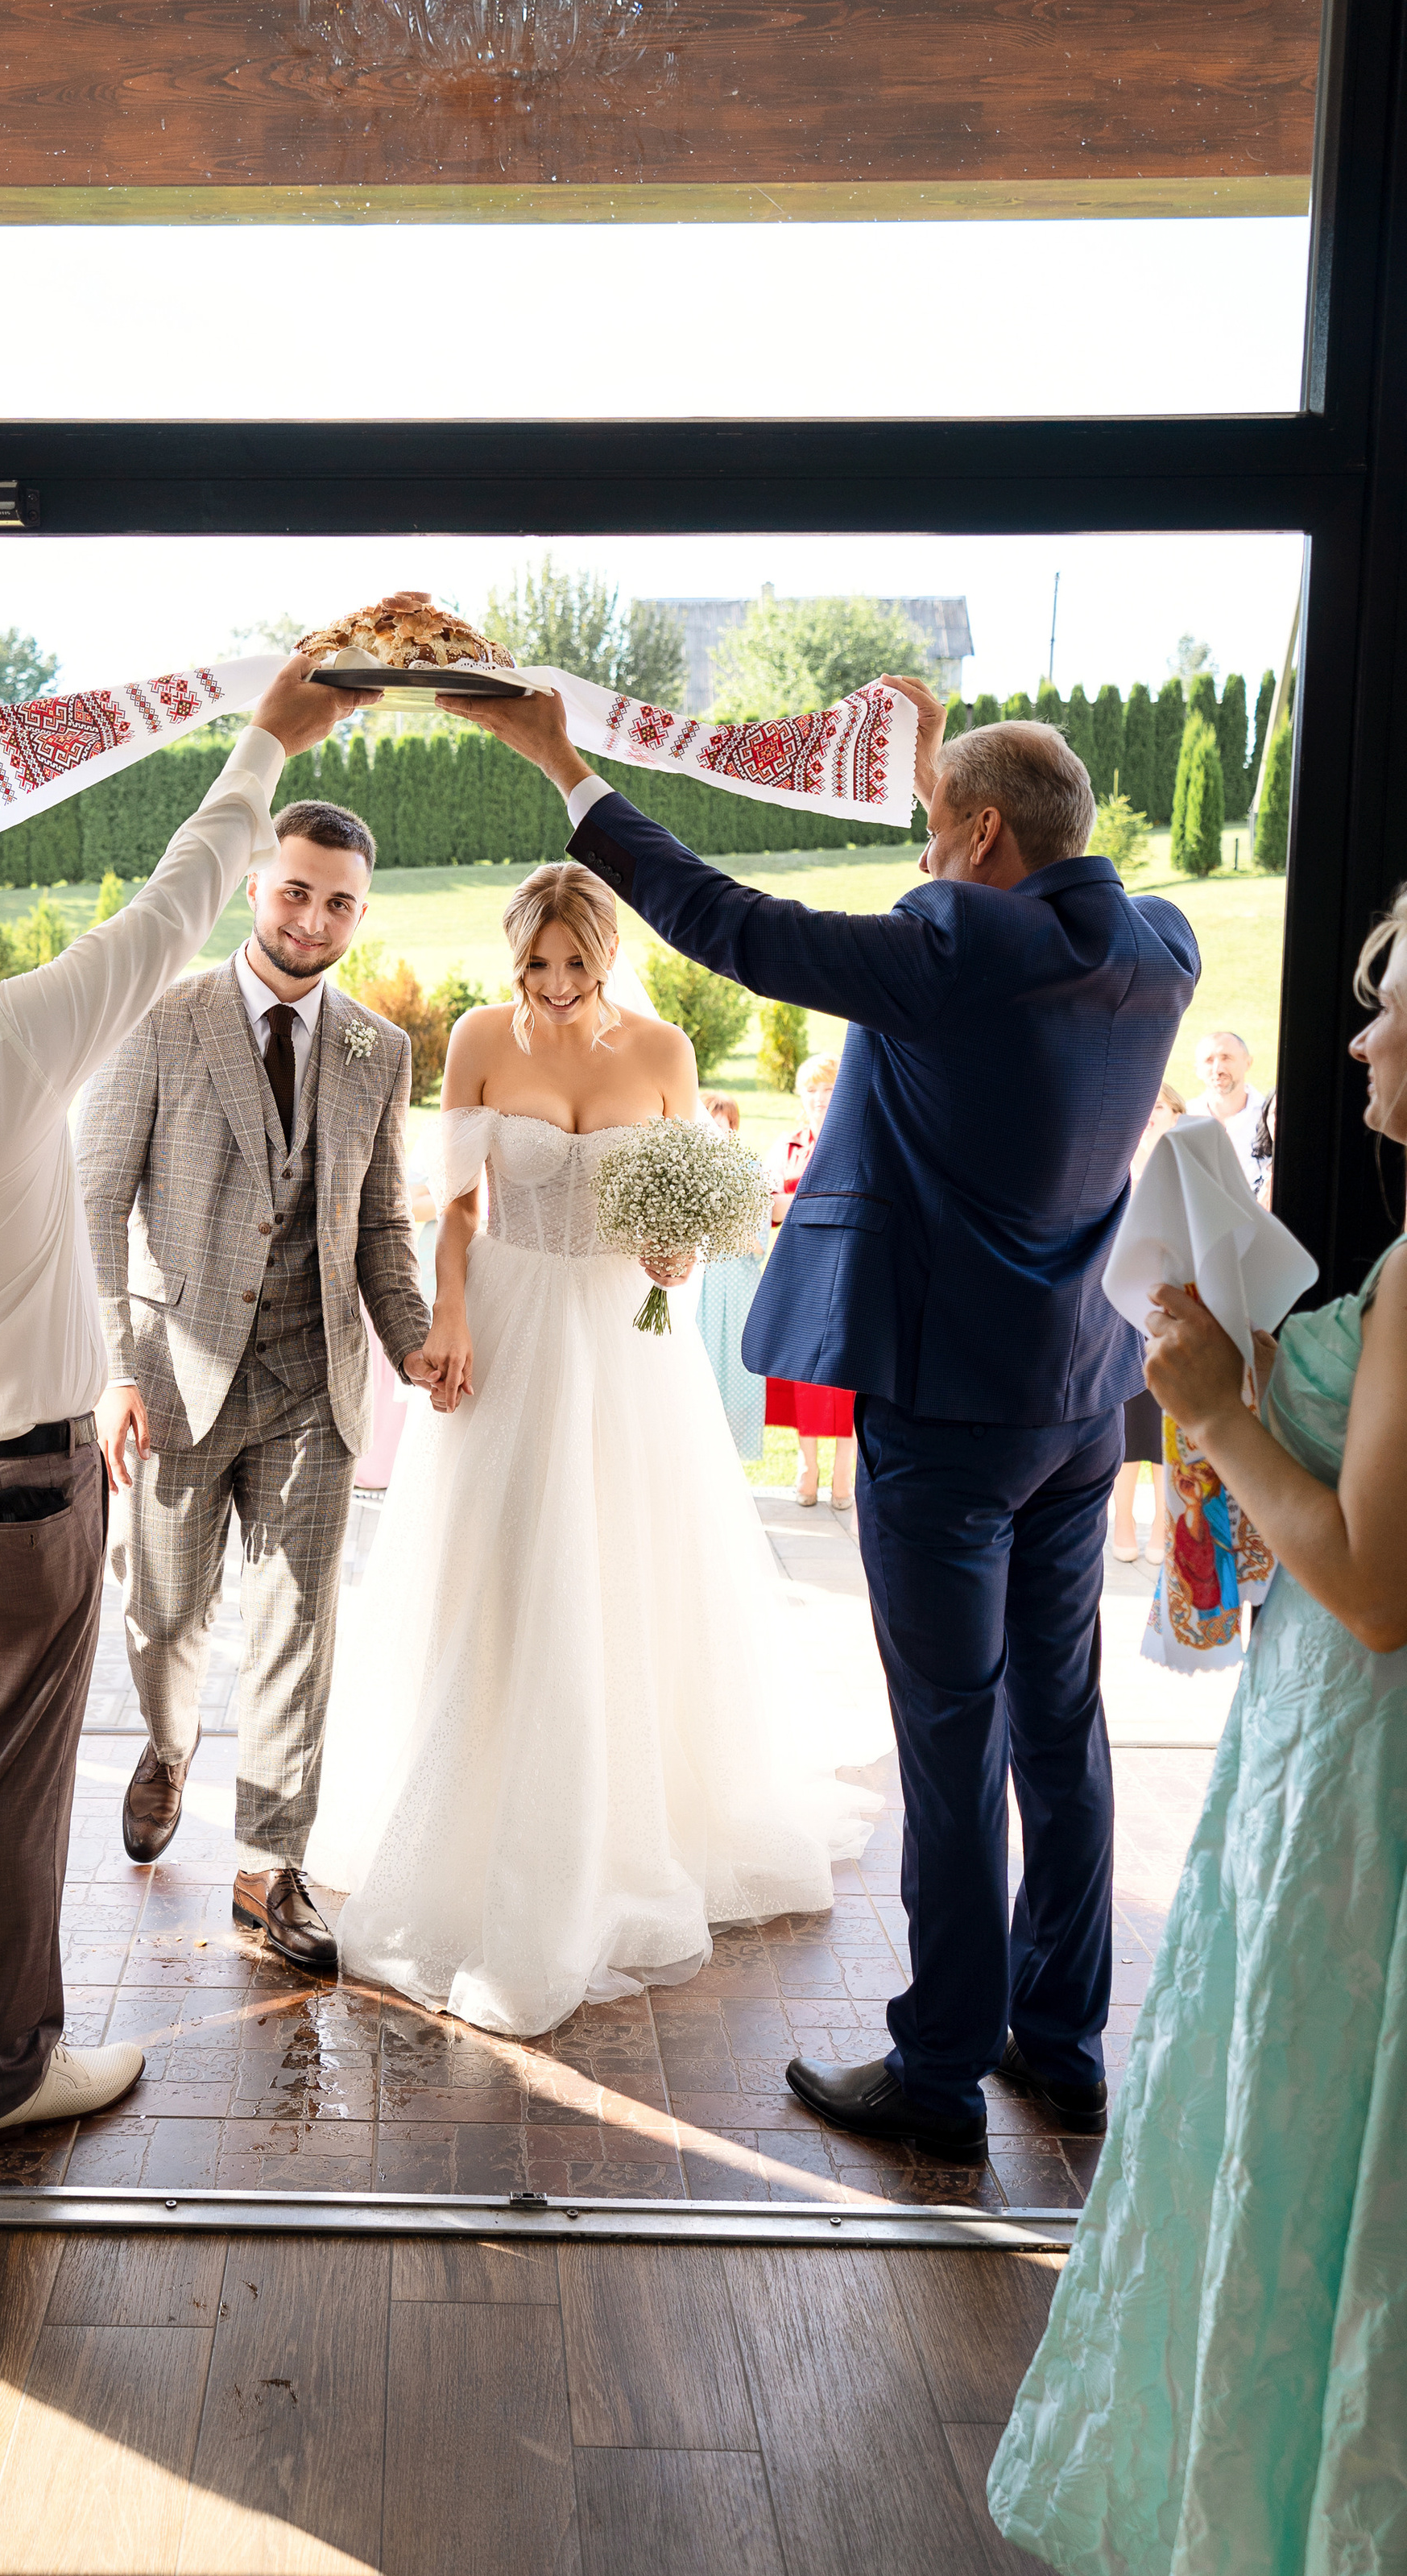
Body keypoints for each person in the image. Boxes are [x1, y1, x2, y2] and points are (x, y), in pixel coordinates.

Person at [443, 677, 1198, 2155]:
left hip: (947, 1409)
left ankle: (934, 2078)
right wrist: (947, 781)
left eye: (933, 829)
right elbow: (1008, 886)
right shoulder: (1155, 942)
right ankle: (1064, 2044)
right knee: (1064, 1726)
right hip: (1082, 1396)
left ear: (976, 837)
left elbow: (735, 925)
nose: (921, 857)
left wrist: (566, 768)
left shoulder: (949, 941)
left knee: (950, 1732)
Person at [0, 660, 370, 2138]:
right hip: (15, 1491)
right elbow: (180, 903)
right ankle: (9, 2073)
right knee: (6, 1790)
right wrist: (270, 736)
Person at [989, 882, 1407, 2576]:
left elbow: (1378, 1585)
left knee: (1334, 2182)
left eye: (1383, 996)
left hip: (1364, 1800)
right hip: (1327, 1760)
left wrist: (1222, 1412)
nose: (1356, 1035)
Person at [303, 864, 872, 2036]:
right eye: (535, 968)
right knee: (502, 1568)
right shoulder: (474, 1038)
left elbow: (690, 1218)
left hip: (624, 1341)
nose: (555, 990)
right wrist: (446, 1314)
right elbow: (457, 1204)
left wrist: (679, 1256)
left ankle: (623, 1822)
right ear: (513, 959)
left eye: (575, 966)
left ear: (607, 954)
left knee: (624, 1566)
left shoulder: (663, 1053)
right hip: (508, 1324)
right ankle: (477, 1811)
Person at [80, 800, 437, 1972]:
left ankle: (270, 1866)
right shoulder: (163, 1017)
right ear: (253, 888)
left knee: (298, 1626)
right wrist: (113, 1373)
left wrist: (417, 1339)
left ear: (360, 913)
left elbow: (381, 1221)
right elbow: (92, 1205)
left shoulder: (378, 1050)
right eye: (296, 891)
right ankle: (170, 1744)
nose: (314, 919)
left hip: (312, 1380)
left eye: (339, 902)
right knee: (168, 1613)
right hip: (175, 1381)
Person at [762, 1053, 857, 1508]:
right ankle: (807, 1464)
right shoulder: (788, 1144)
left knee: (846, 1374)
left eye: (828, 1088)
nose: (819, 1098)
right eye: (811, 1090)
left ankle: (843, 1468)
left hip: (848, 1276)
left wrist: (796, 1203)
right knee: (805, 1373)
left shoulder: (859, 1138)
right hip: (798, 1276)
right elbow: (768, 1206)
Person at [1112, 1077, 1186, 1561]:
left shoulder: (1186, 1169)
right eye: (1147, 1105)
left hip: (1170, 1311)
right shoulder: (1115, 1165)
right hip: (1119, 1314)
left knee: (1165, 1426)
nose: (1152, 1113)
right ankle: (1121, 1527)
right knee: (1125, 1427)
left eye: (1161, 1106)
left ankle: (1163, 1528)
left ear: (1177, 1114)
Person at [690, 1091, 766, 1458]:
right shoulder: (684, 1170)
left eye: (728, 1127)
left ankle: (732, 1463)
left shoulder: (751, 1173)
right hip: (694, 1289)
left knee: (735, 1376)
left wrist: (719, 1216)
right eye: (713, 1125)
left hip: (735, 1293)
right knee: (692, 1373)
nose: (721, 1133)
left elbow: (757, 1243)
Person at [1189, 1025, 1272, 1195]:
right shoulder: (1184, 1117)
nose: (1218, 1069)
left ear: (1248, 1063)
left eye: (1226, 1058)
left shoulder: (1270, 1116)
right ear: (1197, 1070)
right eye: (1209, 1060)